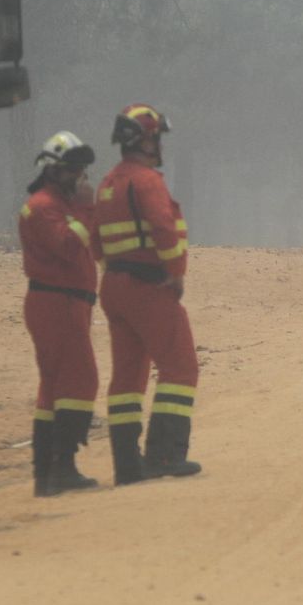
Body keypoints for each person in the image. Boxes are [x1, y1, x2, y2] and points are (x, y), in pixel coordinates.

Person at [92, 104, 202, 485]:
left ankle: (127, 465)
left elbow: (96, 241)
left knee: (127, 376)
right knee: (180, 367)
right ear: (145, 140)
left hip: (114, 286)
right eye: (157, 138)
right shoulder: (147, 181)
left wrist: (114, 272)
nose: (160, 145)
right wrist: (176, 273)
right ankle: (164, 455)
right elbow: (164, 229)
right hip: (148, 287)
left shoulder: (108, 184)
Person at [18, 130, 102, 496]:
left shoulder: (59, 204)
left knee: (53, 387)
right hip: (57, 303)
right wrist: (86, 208)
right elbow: (68, 246)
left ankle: (47, 473)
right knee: (79, 380)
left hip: (67, 303)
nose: (80, 177)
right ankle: (62, 467)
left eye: (81, 170)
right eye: (73, 170)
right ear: (52, 169)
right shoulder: (43, 207)